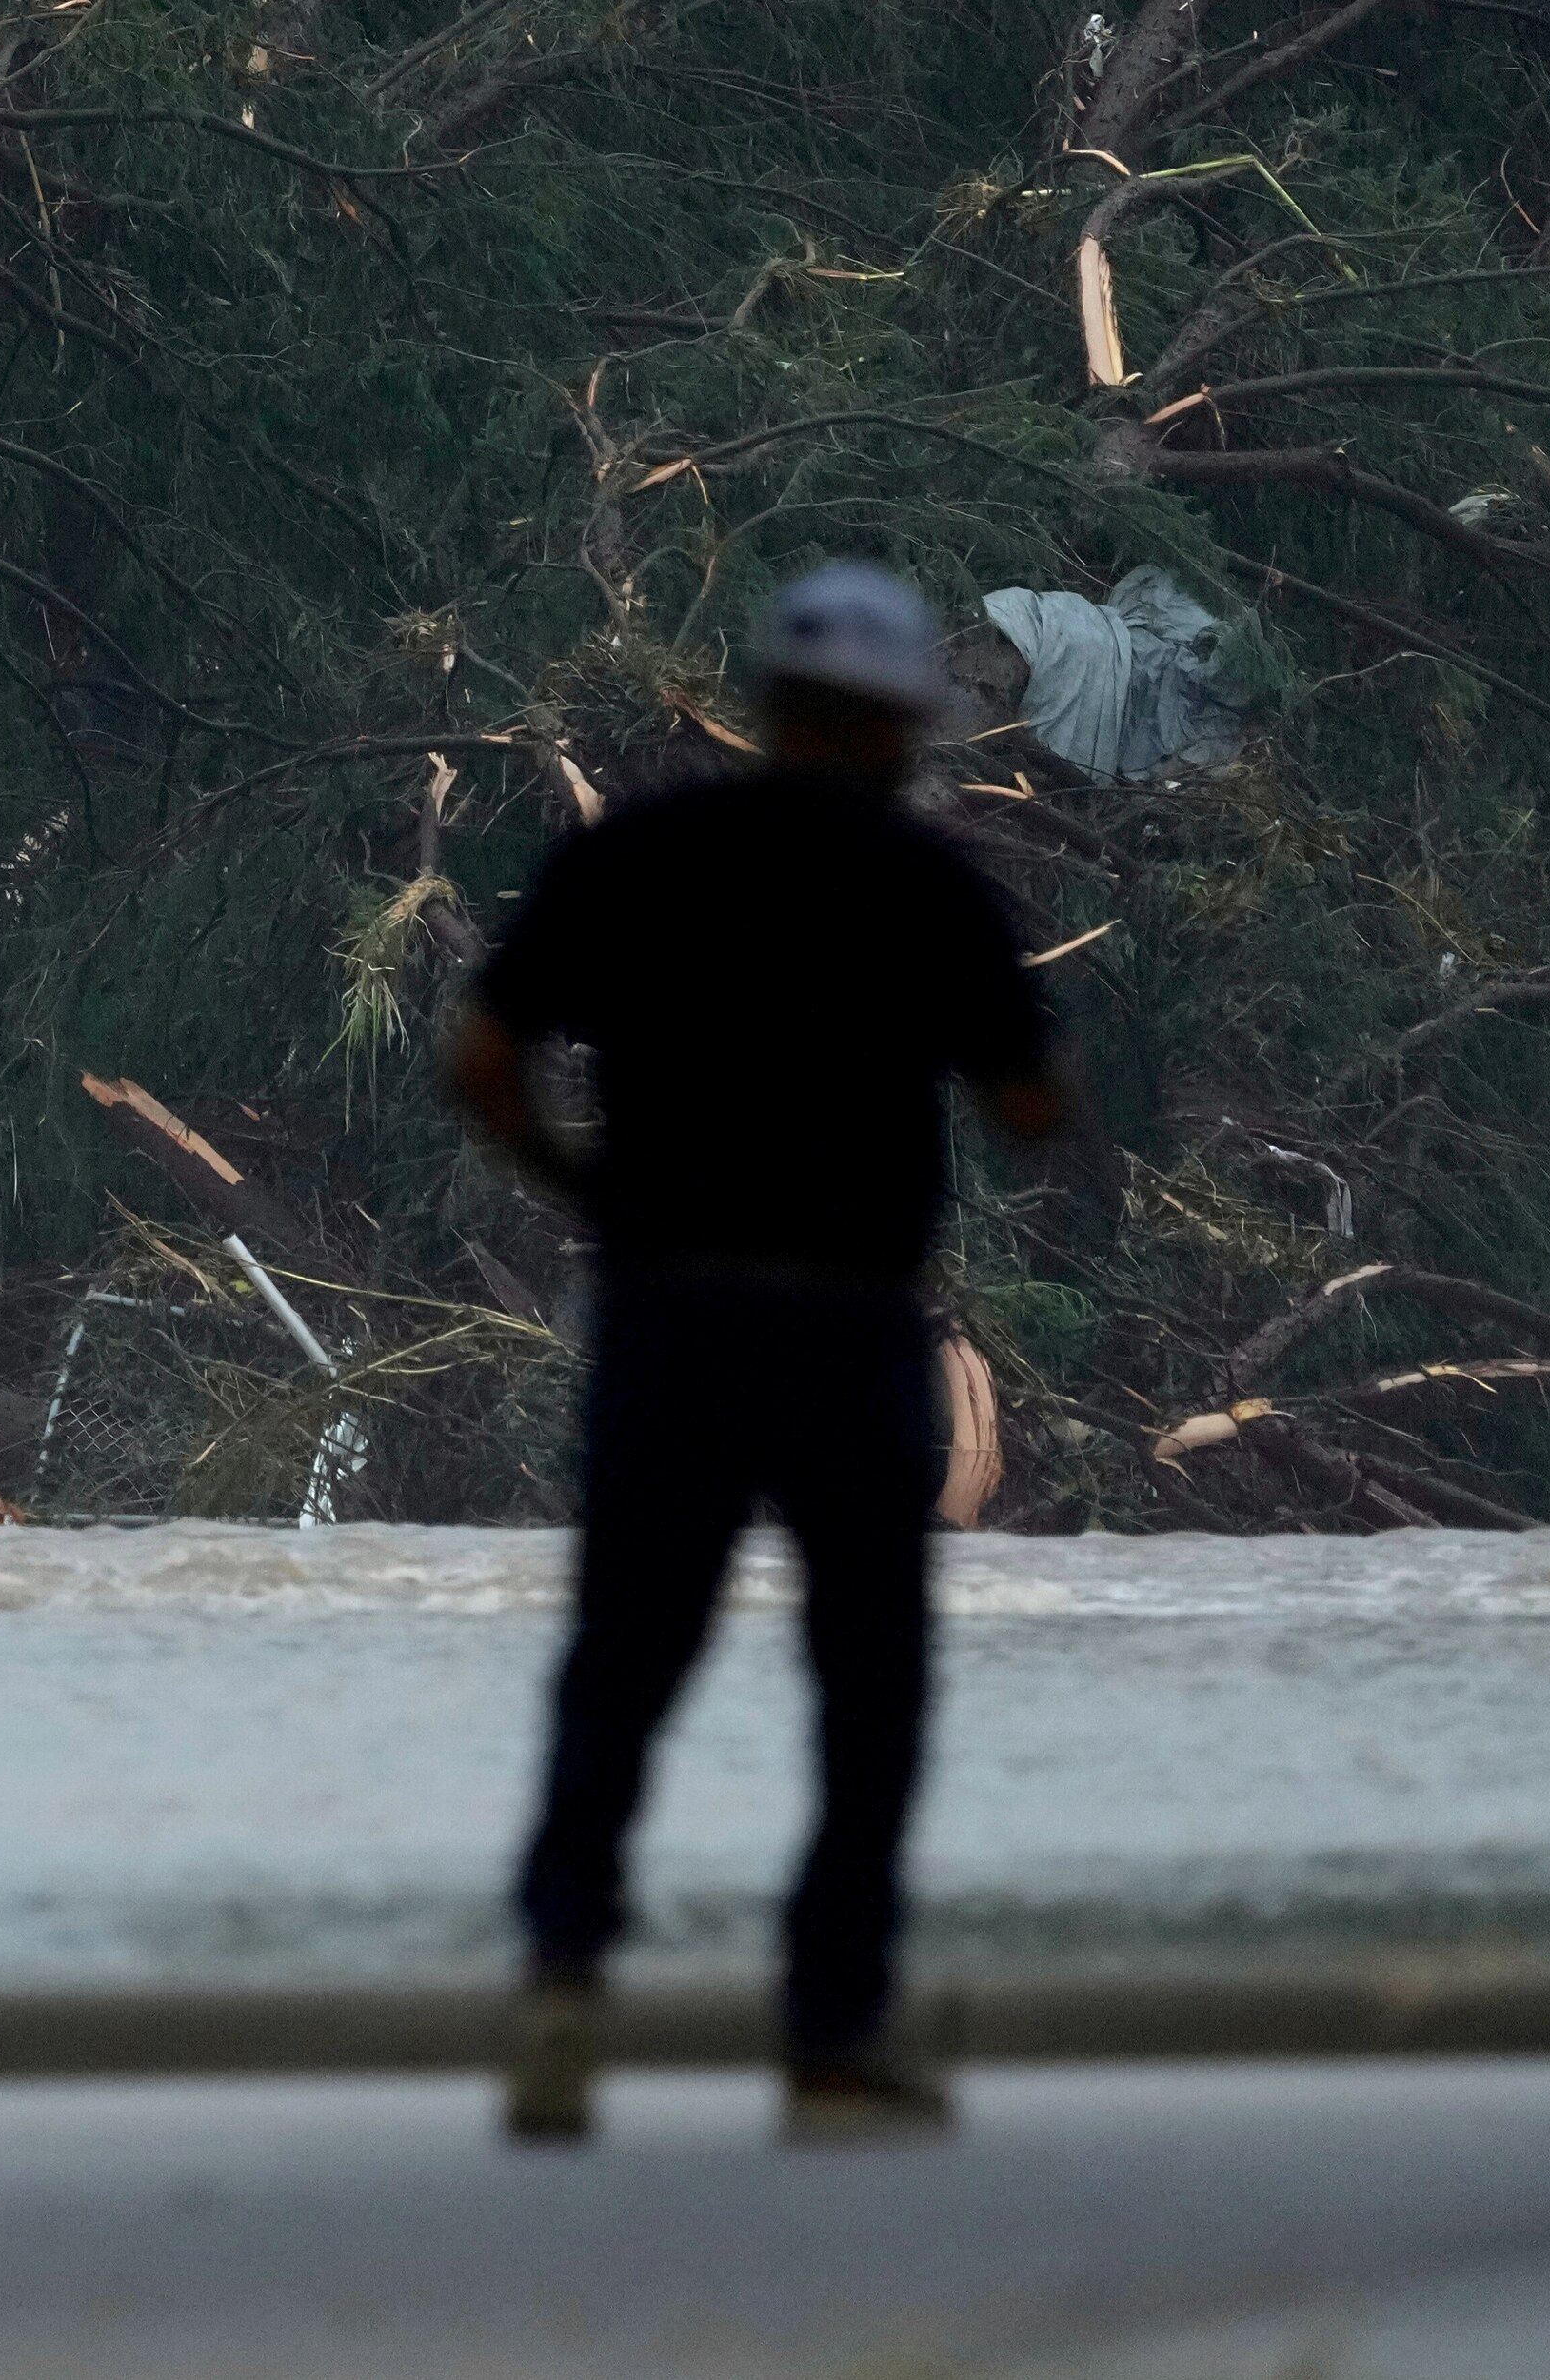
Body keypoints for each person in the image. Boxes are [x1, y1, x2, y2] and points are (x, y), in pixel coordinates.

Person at [446, 562, 1069, 2147]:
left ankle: (563, 2004)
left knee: (626, 1667)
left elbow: (482, 1055)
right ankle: (830, 2038)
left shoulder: (645, 857)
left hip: (671, 1315)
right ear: (900, 725)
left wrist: (583, 1179)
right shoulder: (926, 888)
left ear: (769, 705)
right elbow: (1032, 1108)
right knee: (868, 1688)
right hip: (846, 1325)